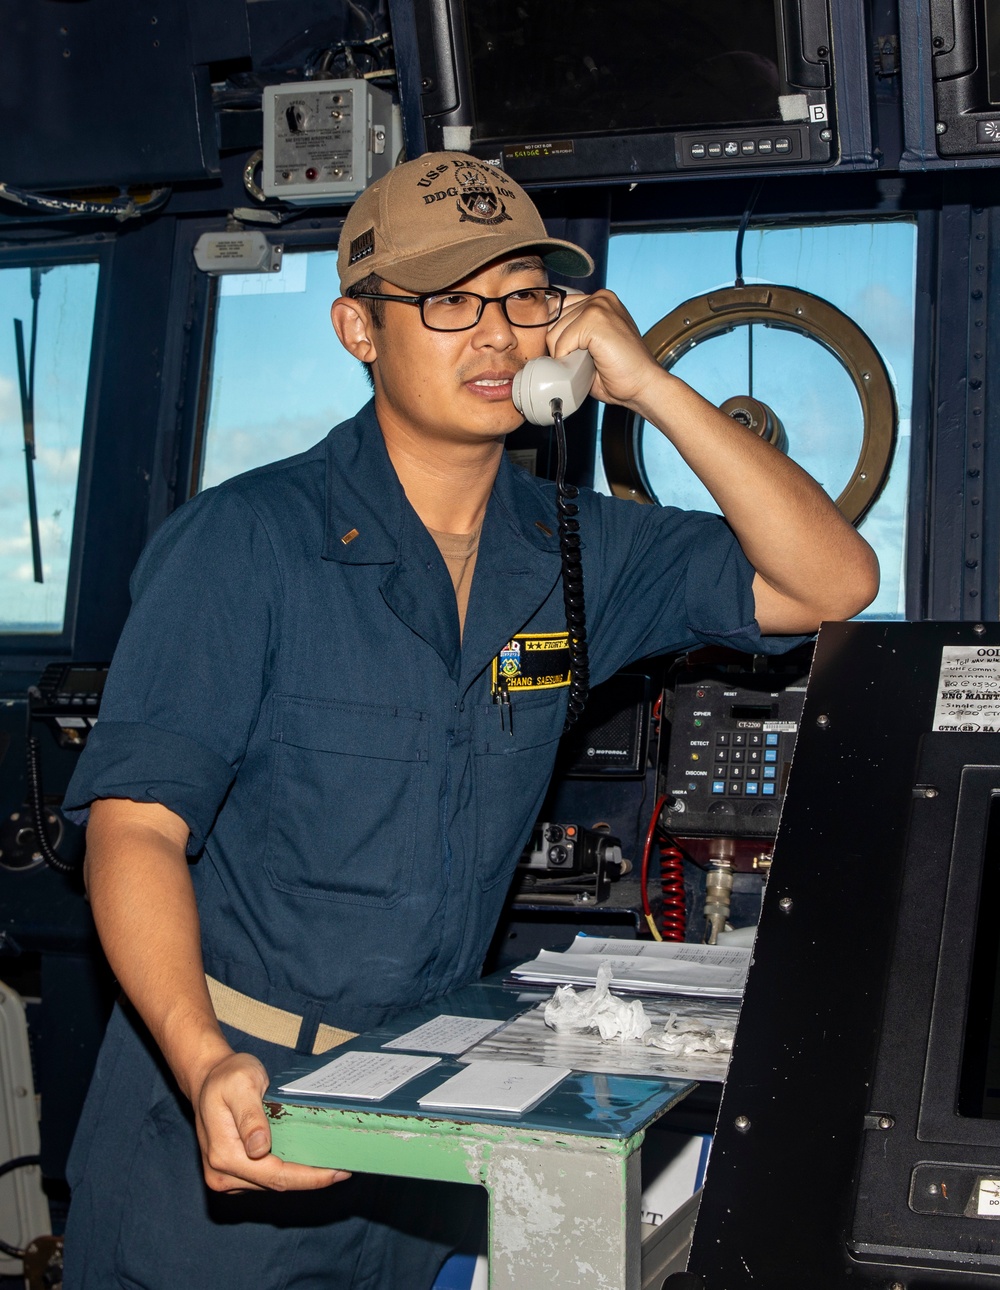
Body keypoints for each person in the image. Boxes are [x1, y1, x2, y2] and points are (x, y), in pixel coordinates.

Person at [61, 151, 878, 1289]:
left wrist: (649, 385)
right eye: (449, 301)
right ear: (360, 330)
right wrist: (201, 1062)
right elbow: (135, 826)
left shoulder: (578, 549)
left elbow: (828, 581)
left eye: (526, 297)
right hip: (230, 1108)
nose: (496, 336)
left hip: (424, 1130)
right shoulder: (241, 545)